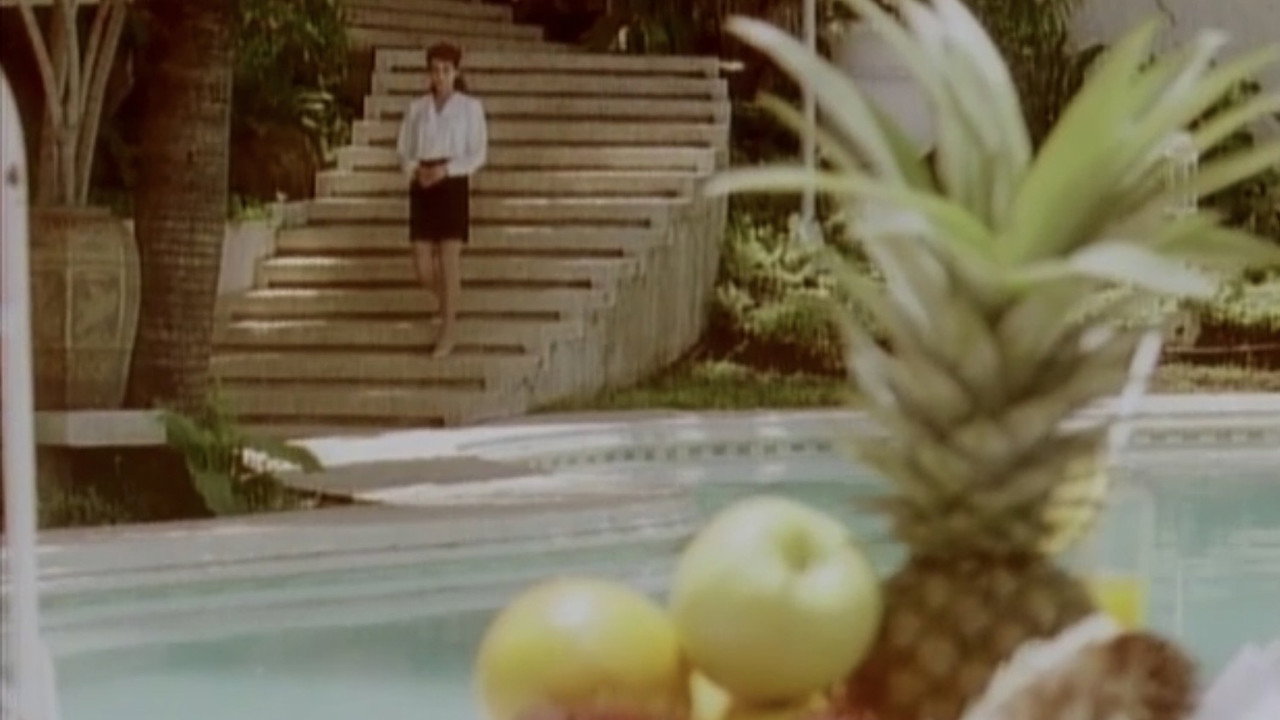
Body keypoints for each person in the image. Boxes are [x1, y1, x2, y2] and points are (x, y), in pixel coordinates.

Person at [395, 41, 488, 358]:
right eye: (435, 70)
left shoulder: (470, 108)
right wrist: (415, 170)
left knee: (449, 261)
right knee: (422, 265)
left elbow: (478, 153)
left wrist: (446, 170)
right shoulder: (417, 108)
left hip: (452, 182)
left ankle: (448, 330)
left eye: (446, 70)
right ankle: (449, 303)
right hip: (423, 182)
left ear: (455, 72)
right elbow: (403, 149)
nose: (440, 76)